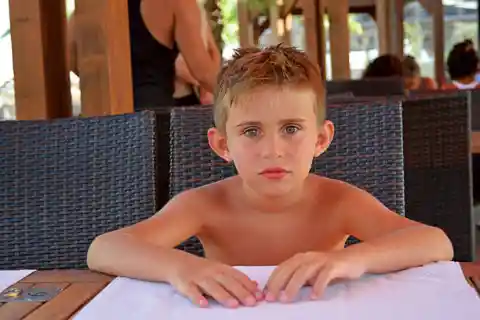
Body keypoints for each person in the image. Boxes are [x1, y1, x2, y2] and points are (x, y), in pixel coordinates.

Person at [87, 45, 454, 309]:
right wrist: (179, 266)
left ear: (321, 139)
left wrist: (352, 259)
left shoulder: (340, 202)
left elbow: (435, 242)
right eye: (251, 132)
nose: (273, 150)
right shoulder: (204, 205)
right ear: (222, 144)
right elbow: (104, 248)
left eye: (291, 128)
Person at [67, 0, 219, 110]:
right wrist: (238, 96)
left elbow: (71, 59)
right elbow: (204, 74)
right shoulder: (175, 2)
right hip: (152, 121)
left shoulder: (90, 7)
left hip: (101, 122)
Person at [173, 0, 220, 106]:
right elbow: (179, 66)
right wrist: (205, 84)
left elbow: (212, 48)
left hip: (198, 92)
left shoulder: (198, 8)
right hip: (177, 96)